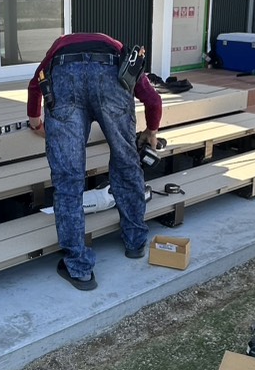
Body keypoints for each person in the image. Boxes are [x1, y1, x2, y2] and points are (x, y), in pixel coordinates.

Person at [27, 33, 162, 291]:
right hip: (110, 76)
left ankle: (79, 268)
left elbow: (35, 85)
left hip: (64, 78)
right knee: (126, 164)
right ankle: (135, 241)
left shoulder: (58, 48)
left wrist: (35, 121)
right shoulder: (119, 51)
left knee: (68, 179)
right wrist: (151, 130)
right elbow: (153, 100)